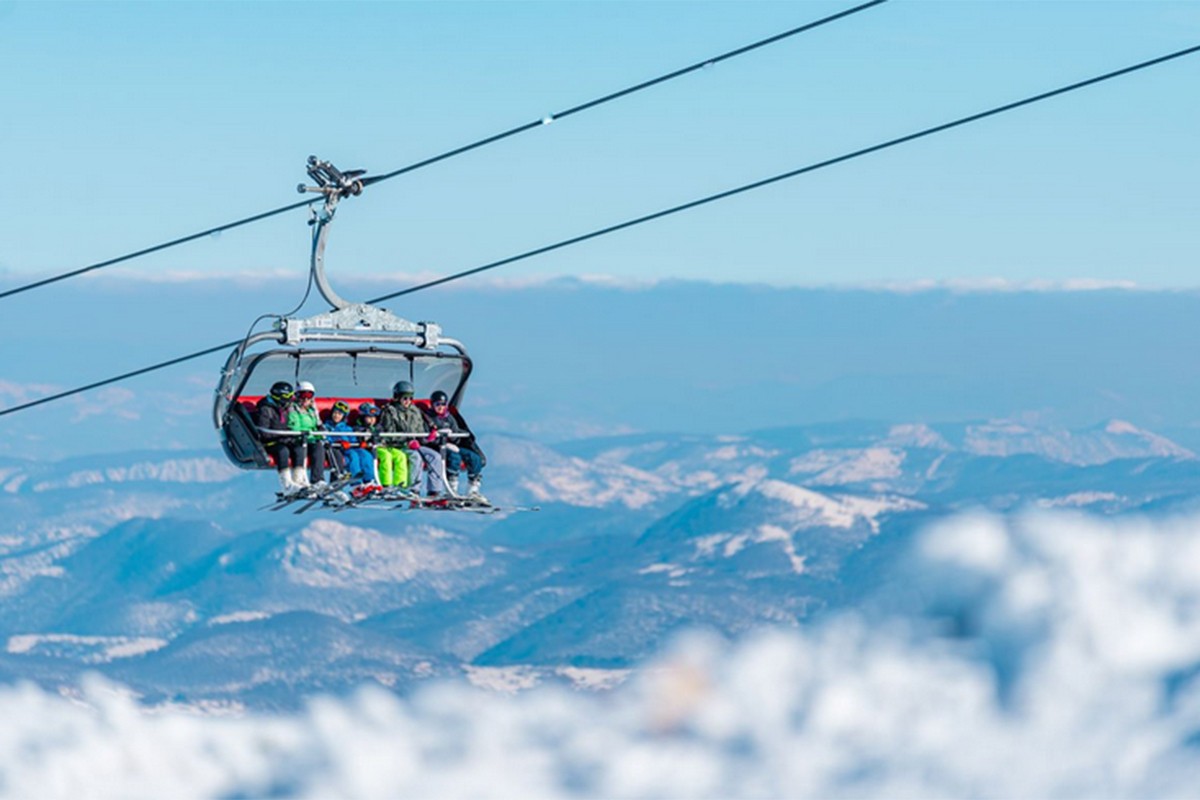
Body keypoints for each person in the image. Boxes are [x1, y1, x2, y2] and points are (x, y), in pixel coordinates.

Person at [379, 380, 448, 496]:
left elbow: (419, 431)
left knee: (435, 457)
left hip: (415, 445)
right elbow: (389, 434)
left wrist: (426, 438)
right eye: (405, 398)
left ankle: (434, 491)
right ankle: (414, 489)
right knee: (416, 457)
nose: (408, 401)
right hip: (398, 446)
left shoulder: (415, 411)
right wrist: (406, 442)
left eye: (410, 398)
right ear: (397, 398)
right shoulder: (390, 412)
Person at [425, 389, 487, 499]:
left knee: (474, 458)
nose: (440, 407)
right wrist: (439, 439)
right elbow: (426, 437)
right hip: (436, 447)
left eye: (443, 404)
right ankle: (451, 488)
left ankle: (473, 490)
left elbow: (456, 433)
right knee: (454, 457)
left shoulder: (449, 418)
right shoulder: (428, 418)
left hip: (451, 446)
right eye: (437, 404)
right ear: (432, 404)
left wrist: (453, 437)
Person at [255, 380, 305, 494]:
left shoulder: (284, 408)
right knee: (283, 451)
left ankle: (298, 481)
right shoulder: (265, 409)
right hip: (269, 442)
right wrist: (283, 434)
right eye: (287, 396)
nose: (289, 399)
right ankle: (286, 484)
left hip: (283, 439)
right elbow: (264, 432)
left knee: (299, 449)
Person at [286, 380, 326, 487]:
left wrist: (321, 430)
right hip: (297, 439)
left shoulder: (312, 410)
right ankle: (299, 481)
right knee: (300, 450)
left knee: (319, 447)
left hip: (311, 438)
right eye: (303, 396)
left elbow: (318, 423)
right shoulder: (292, 408)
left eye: (309, 396)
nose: (306, 399)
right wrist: (301, 433)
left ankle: (317, 480)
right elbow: (293, 424)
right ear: (297, 396)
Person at [322, 400, 354, 481]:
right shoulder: (327, 426)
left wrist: (349, 443)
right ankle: (337, 475)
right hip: (332, 448)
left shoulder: (347, 428)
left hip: (345, 450)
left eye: (339, 414)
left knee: (354, 455)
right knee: (336, 454)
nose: (336, 416)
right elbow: (325, 437)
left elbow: (352, 440)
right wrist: (336, 442)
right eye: (335, 413)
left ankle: (355, 475)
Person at [353, 402, 383, 488]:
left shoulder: (378, 428)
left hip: (373, 449)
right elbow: (357, 438)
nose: (372, 420)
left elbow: (381, 438)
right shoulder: (358, 428)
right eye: (369, 417)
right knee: (365, 457)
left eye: (374, 417)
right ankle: (364, 482)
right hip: (361, 449)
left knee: (371, 457)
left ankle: (373, 482)